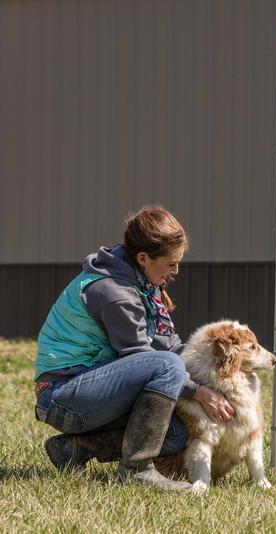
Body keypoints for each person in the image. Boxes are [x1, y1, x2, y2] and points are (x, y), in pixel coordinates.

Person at [33, 205, 234, 492]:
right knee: (167, 367)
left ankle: (76, 448)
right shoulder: (113, 291)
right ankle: (137, 470)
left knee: (177, 432)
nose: (176, 270)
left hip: (91, 390)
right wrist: (200, 393)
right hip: (61, 397)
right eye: (170, 263)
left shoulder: (141, 281)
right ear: (143, 258)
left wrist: (210, 373)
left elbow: (170, 345)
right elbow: (144, 358)